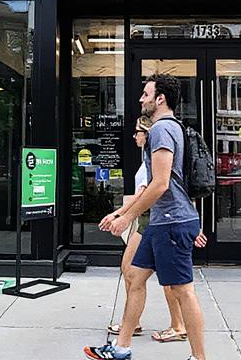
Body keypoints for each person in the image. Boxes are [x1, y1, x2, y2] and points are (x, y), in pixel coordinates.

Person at [85, 74, 207, 360]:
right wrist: (123, 212)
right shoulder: (168, 128)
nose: (141, 99)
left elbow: (160, 183)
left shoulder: (162, 129)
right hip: (161, 222)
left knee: (183, 290)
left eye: (145, 94)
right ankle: (121, 348)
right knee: (135, 277)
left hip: (172, 222)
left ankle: (200, 358)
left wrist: (128, 217)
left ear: (160, 98)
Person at [102, 116, 192, 343]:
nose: (134, 137)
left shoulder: (154, 159)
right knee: (135, 273)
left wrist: (120, 215)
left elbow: (145, 193)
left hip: (151, 221)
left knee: (150, 276)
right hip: (149, 221)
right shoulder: (148, 160)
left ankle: (176, 326)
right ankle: (132, 326)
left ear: (147, 133)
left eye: (137, 132)